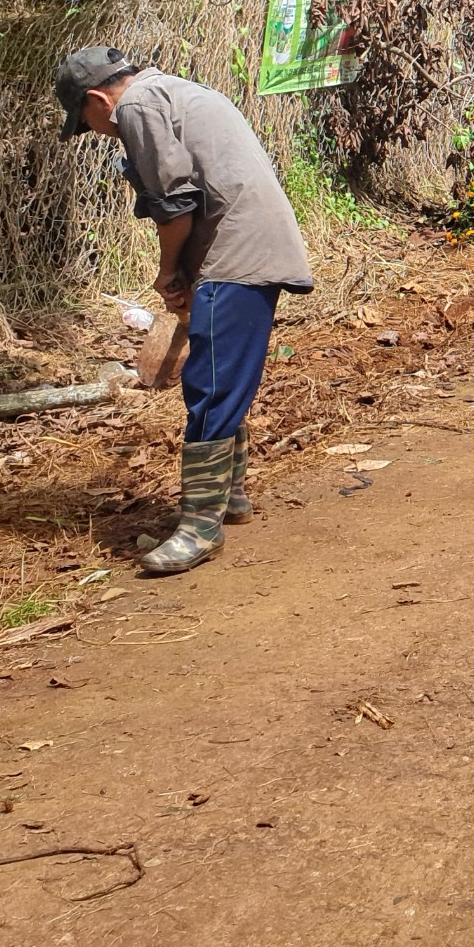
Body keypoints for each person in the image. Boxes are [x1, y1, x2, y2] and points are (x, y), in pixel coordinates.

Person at [56, 45, 314, 572]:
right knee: (224, 374)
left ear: (96, 99)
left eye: (87, 122)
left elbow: (174, 204)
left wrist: (168, 269)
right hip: (245, 242)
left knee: (212, 381)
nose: (98, 132)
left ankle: (200, 526)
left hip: (237, 250)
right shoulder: (172, 89)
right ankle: (231, 496)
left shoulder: (137, 107)